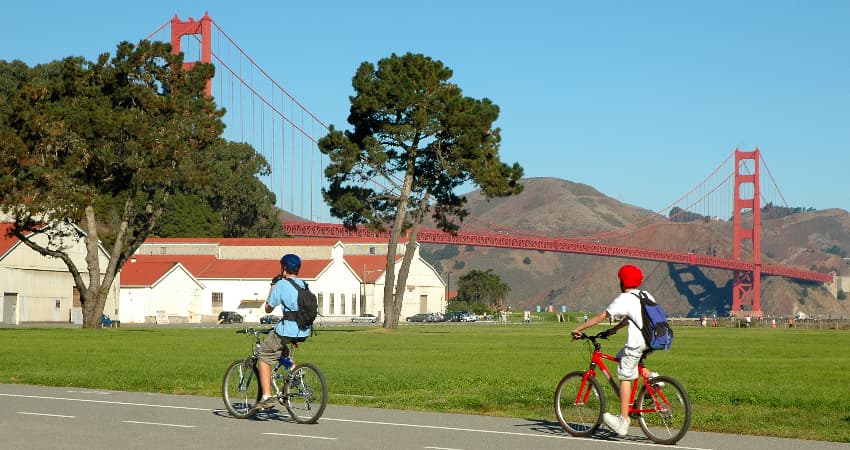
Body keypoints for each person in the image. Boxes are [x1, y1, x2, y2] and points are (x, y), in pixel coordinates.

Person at [570, 264, 655, 438]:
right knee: (621, 357)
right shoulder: (645, 295)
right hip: (654, 339)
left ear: (623, 282)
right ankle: (651, 379)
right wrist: (612, 330)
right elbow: (630, 318)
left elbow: (601, 316)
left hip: (638, 342)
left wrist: (579, 328)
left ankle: (623, 421)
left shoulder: (625, 298)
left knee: (624, 374)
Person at [251, 253, 312, 411]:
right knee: (281, 349)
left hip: (288, 329)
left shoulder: (281, 285)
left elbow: (268, 308)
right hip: (304, 330)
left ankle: (266, 397)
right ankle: (294, 372)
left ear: (284, 268)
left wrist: (273, 286)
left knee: (263, 357)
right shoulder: (304, 284)